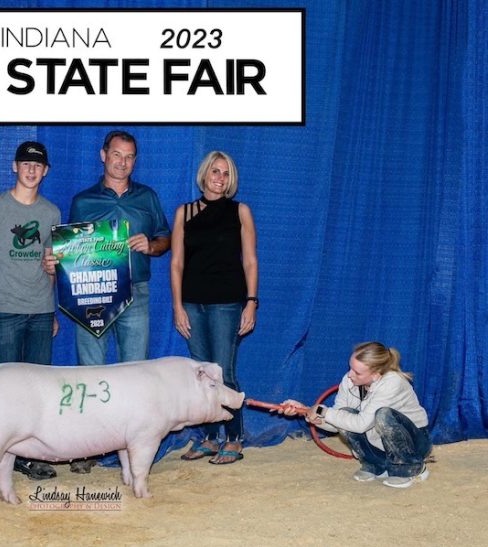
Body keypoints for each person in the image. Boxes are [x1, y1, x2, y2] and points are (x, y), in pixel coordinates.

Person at [43, 130, 171, 473]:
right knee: (91, 373)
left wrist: (152, 245)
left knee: (134, 373)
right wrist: (57, 260)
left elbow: (165, 239)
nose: (122, 162)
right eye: (117, 154)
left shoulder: (148, 197)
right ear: (103, 156)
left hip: (136, 292)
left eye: (129, 156)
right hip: (92, 293)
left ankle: (133, 448)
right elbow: (71, 249)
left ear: (135, 160)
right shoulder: (83, 201)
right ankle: (88, 449)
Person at [0, 141, 61, 481]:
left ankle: (32, 454)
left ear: (46, 171)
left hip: (40, 310)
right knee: (4, 390)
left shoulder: (51, 213)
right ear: (15, 167)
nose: (31, 170)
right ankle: (1, 456)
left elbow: (50, 263)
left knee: (39, 388)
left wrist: (51, 307)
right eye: (25, 164)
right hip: (3, 309)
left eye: (38, 165)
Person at [170, 151, 258, 465]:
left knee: (224, 371)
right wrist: (178, 306)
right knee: (201, 374)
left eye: (225, 173)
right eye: (215, 172)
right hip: (192, 303)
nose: (219, 178)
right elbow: (177, 263)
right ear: (204, 175)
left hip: (228, 303)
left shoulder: (240, 212)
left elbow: (250, 260)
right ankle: (208, 438)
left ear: (230, 180)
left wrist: (251, 302)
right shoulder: (185, 212)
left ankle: (234, 438)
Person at [280, 342, 432, 488]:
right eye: (350, 368)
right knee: (345, 414)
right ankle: (375, 464)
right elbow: (338, 421)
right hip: (380, 442)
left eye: (357, 372)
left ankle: (412, 466)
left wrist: (322, 411)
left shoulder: (393, 382)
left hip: (415, 442)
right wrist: (308, 412)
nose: (350, 375)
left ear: (376, 376)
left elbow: (360, 425)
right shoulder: (348, 380)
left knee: (383, 414)